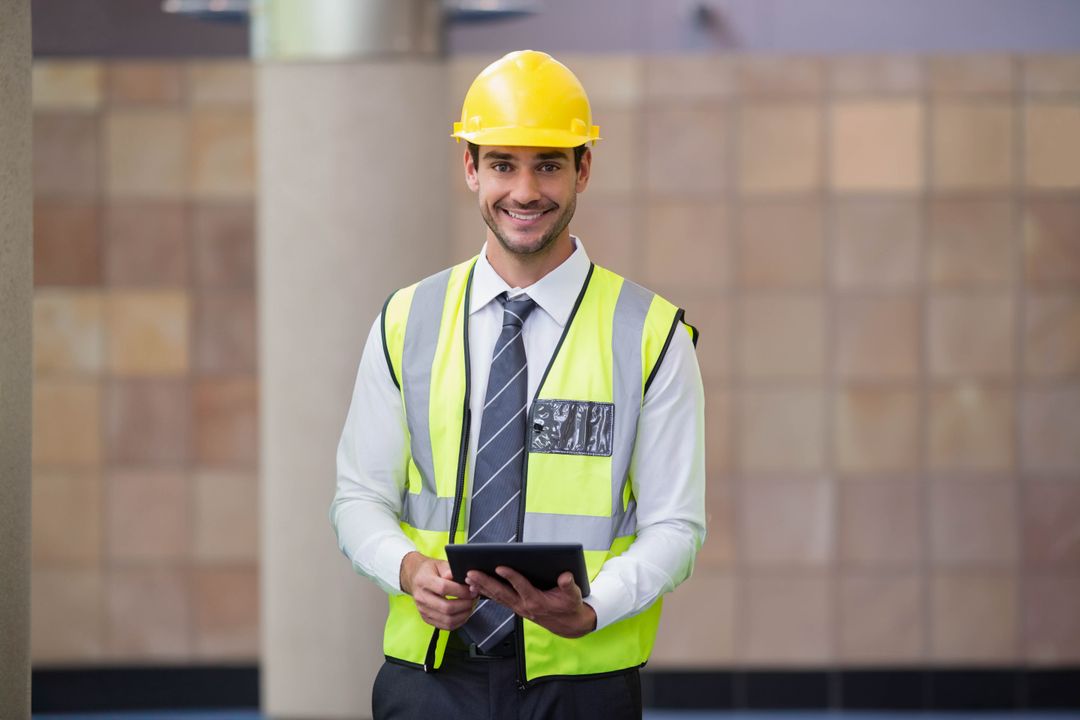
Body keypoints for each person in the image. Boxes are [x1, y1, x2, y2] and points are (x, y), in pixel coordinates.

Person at [331, 49, 706, 720]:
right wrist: (409, 571)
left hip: (584, 685)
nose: (525, 191)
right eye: (503, 164)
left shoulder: (652, 335)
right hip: (429, 682)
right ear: (470, 167)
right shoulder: (405, 321)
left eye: (549, 164)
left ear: (583, 168)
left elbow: (675, 524)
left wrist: (595, 605)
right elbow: (360, 498)